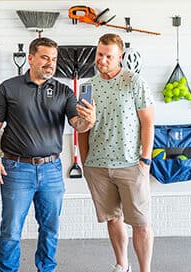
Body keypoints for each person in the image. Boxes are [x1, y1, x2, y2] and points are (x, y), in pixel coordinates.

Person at [0, 37, 96, 272]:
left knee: (50, 228)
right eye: (45, 57)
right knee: (12, 229)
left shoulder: (64, 91)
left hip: (51, 170)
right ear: (31, 58)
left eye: (54, 59)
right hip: (16, 169)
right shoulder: (8, 88)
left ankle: (46, 269)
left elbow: (77, 124)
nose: (50, 64)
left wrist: (88, 121)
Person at [78, 33, 155, 272]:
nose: (102, 60)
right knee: (113, 219)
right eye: (100, 54)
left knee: (141, 224)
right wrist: (85, 162)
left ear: (119, 56)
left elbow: (148, 122)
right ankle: (122, 265)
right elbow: (82, 129)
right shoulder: (88, 87)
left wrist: (145, 159)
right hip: (98, 166)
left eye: (108, 56)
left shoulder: (134, 82)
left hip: (131, 164)